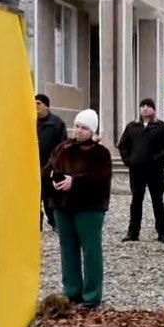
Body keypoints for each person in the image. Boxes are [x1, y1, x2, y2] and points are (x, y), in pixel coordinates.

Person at [45, 109, 112, 308]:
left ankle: (92, 295)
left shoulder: (100, 153)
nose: (79, 131)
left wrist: (75, 182)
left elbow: (100, 179)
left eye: (84, 128)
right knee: (67, 249)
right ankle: (72, 291)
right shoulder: (62, 148)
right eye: (77, 126)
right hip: (63, 205)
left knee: (90, 249)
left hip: (89, 208)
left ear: (92, 131)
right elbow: (48, 169)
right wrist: (53, 179)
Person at [116, 98, 164, 243]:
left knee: (158, 201)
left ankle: (163, 233)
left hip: (155, 171)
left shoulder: (161, 127)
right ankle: (133, 233)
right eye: (143, 106)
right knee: (136, 201)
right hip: (136, 171)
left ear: (153, 109)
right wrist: (129, 160)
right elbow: (123, 146)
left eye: (148, 106)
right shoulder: (132, 127)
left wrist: (157, 159)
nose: (145, 108)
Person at [36, 94, 67, 229]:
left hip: (50, 168)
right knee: (35, 198)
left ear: (46, 106)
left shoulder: (57, 123)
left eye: (38, 103)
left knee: (51, 197)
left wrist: (54, 165)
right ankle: (37, 223)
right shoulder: (31, 121)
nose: (35, 106)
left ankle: (55, 222)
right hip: (33, 168)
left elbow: (62, 146)